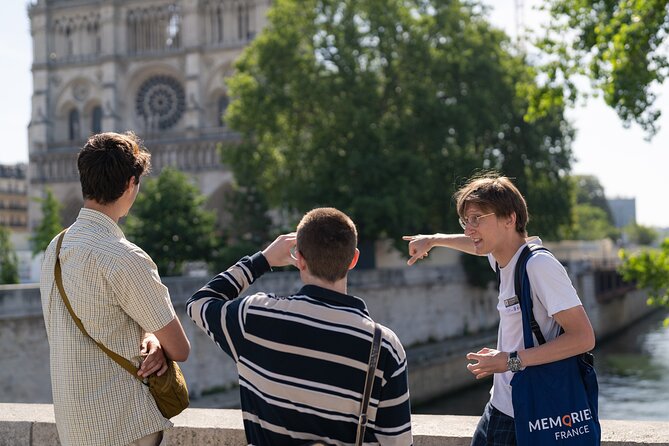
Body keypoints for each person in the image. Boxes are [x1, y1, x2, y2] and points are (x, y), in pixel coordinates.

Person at [187, 207, 413, 445]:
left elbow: (199, 303)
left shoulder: (254, 316)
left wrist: (262, 260)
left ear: (300, 259)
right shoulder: (384, 346)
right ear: (353, 259)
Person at [403, 174, 595, 446]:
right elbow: (477, 246)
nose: (469, 229)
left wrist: (510, 361)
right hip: (499, 408)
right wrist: (433, 240)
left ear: (510, 219)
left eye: (477, 219)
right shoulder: (505, 259)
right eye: (466, 221)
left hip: (530, 415)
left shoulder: (538, 266)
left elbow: (583, 338)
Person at [40, 132, 191, 446]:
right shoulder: (125, 257)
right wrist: (159, 344)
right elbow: (180, 349)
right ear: (130, 184)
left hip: (75, 424)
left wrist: (149, 337)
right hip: (123, 425)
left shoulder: (56, 247)